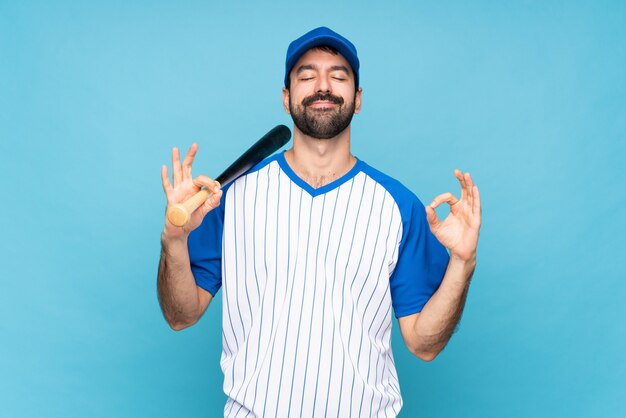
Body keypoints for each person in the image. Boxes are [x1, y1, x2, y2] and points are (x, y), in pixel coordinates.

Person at [158, 26, 481, 418]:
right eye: (307, 76)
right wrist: (173, 241)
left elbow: (424, 345)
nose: (322, 86)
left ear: (357, 99)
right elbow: (180, 316)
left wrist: (463, 262)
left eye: (339, 75)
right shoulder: (229, 198)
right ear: (286, 97)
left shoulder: (399, 206)